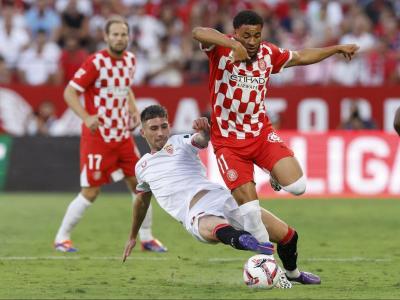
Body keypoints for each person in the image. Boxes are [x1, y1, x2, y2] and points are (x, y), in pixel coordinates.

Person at [192, 10, 358, 253]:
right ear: (235, 32)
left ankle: (273, 173)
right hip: (229, 142)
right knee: (251, 214)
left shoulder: (269, 53)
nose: (251, 41)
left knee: (298, 187)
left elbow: (301, 56)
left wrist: (335, 48)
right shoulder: (219, 48)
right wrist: (230, 44)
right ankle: (268, 266)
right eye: (245, 36)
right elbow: (198, 32)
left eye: (256, 35)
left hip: (261, 135)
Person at [123, 105, 320, 285]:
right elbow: (141, 201)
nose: (160, 133)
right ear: (142, 132)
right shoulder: (142, 167)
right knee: (215, 229)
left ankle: (293, 274)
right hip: (194, 213)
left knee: (288, 236)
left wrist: (205, 132)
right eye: (154, 128)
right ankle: (246, 244)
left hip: (223, 199)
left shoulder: (178, 142)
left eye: (163, 126)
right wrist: (133, 236)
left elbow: (200, 140)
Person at [54, 16, 166, 253]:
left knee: (142, 184)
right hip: (98, 138)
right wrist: (86, 117)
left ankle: (146, 238)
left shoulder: (130, 60)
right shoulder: (95, 62)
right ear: (105, 37)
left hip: (122, 137)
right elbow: (69, 93)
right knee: (91, 192)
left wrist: (134, 110)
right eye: (114, 34)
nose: (119, 38)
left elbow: (125, 89)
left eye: (123, 34)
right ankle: (62, 237)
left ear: (129, 37)